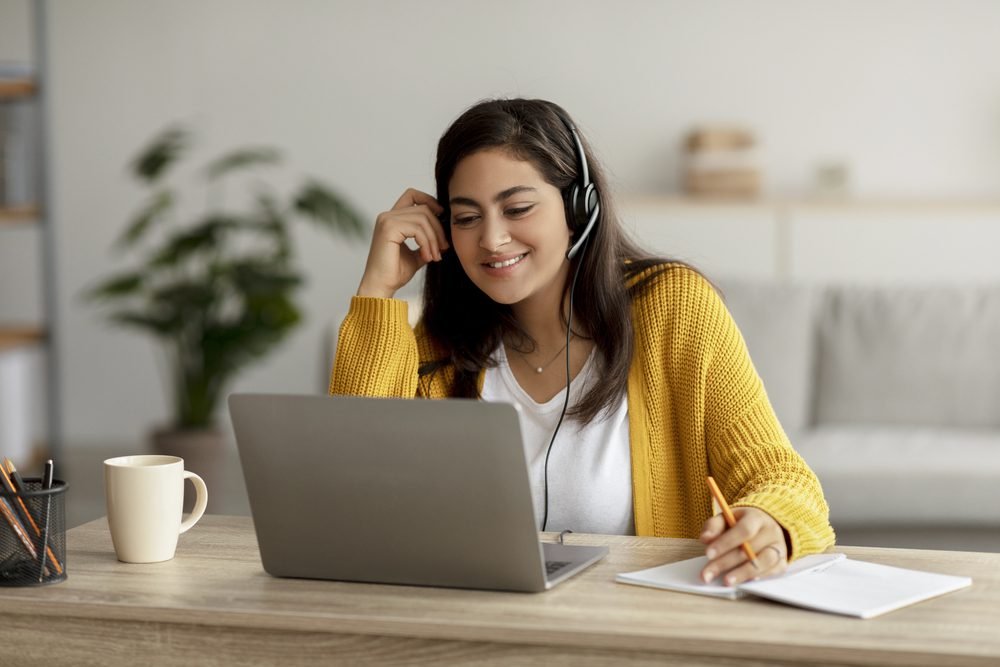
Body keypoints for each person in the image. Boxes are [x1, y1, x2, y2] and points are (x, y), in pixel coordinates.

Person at [330, 98, 835, 587]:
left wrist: (769, 522)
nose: (492, 238)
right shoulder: (440, 345)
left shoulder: (673, 308)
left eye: (518, 208)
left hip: (638, 630)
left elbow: (783, 478)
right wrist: (377, 291)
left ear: (580, 208)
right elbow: (350, 496)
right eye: (466, 217)